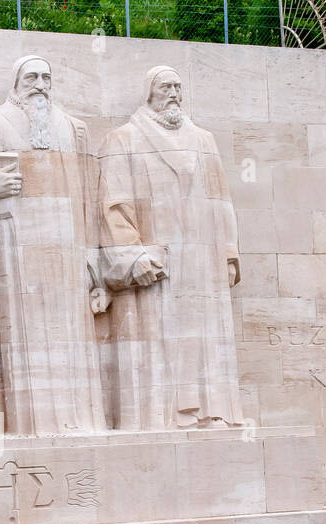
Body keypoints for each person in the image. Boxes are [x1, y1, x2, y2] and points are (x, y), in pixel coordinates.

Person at [0, 55, 108, 436]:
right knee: (15, 336)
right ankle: (19, 424)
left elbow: (91, 200)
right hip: (11, 250)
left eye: (46, 77)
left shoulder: (75, 130)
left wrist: (95, 262)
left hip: (68, 253)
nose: (40, 84)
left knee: (70, 338)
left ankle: (78, 421)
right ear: (16, 83)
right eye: (31, 77)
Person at [97, 65, 245, 430]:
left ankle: (213, 411)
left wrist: (228, 254)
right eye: (166, 86)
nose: (174, 93)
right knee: (161, 337)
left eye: (178, 86)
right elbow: (113, 205)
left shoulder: (204, 141)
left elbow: (221, 201)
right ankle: (164, 416)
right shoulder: (125, 139)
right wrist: (135, 256)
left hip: (202, 259)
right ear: (150, 92)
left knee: (206, 337)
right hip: (158, 262)